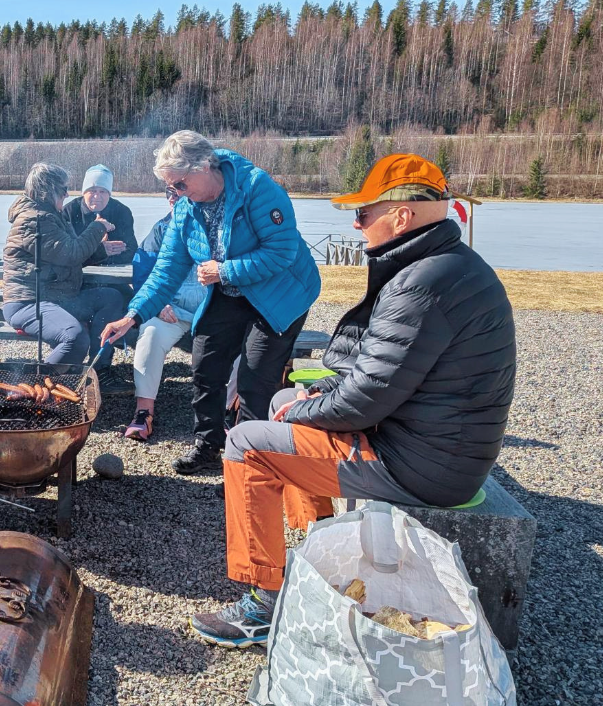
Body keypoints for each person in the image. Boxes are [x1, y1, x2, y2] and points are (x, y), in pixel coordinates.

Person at [188, 154, 517, 649]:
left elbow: (366, 397)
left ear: (401, 216)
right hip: (439, 444)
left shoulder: (421, 283)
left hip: (423, 466)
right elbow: (382, 373)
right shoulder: (447, 266)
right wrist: (311, 394)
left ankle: (264, 602)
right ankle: (321, 538)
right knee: (284, 393)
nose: (356, 223)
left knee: (244, 444)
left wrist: (299, 409)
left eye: (363, 214)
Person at [101, 130, 321, 473]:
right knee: (205, 364)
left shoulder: (257, 188)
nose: (176, 193)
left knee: (253, 380)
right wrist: (131, 317)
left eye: (181, 184)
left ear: (204, 166)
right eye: (171, 187)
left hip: (280, 292)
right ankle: (207, 447)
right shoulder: (186, 209)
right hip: (229, 290)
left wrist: (224, 270)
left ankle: (248, 467)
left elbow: (282, 252)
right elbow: (166, 271)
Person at [3, 163, 133, 394]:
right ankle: (29, 390)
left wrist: (101, 250)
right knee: (75, 337)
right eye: (62, 188)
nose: (66, 193)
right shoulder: (34, 219)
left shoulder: (50, 216)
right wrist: (97, 226)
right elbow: (70, 253)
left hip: (58, 297)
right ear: (47, 190)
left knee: (111, 298)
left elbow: (68, 255)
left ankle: (99, 369)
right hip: (29, 301)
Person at [118, 187, 206, 441]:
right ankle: (143, 412)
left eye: (178, 191)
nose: (172, 197)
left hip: (210, 311)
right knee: (150, 335)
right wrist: (158, 304)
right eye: (168, 192)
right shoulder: (160, 230)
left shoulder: (216, 227)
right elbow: (144, 273)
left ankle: (226, 414)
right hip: (172, 312)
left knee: (235, 343)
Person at [63, 164, 137, 267]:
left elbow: (130, 250)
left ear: (109, 194)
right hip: (77, 277)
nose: (97, 196)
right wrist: (101, 252)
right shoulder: (69, 212)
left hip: (113, 276)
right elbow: (66, 254)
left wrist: (99, 257)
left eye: (102, 191)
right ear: (84, 193)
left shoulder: (121, 212)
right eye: (92, 191)